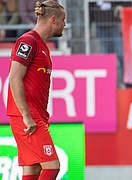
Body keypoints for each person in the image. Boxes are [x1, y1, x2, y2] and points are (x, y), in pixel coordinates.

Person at [6, 1, 65, 180]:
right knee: (52, 166)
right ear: (53, 19)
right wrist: (26, 115)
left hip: (35, 115)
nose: (64, 25)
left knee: (32, 170)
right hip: (27, 116)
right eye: (63, 20)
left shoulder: (42, 45)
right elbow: (14, 78)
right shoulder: (28, 41)